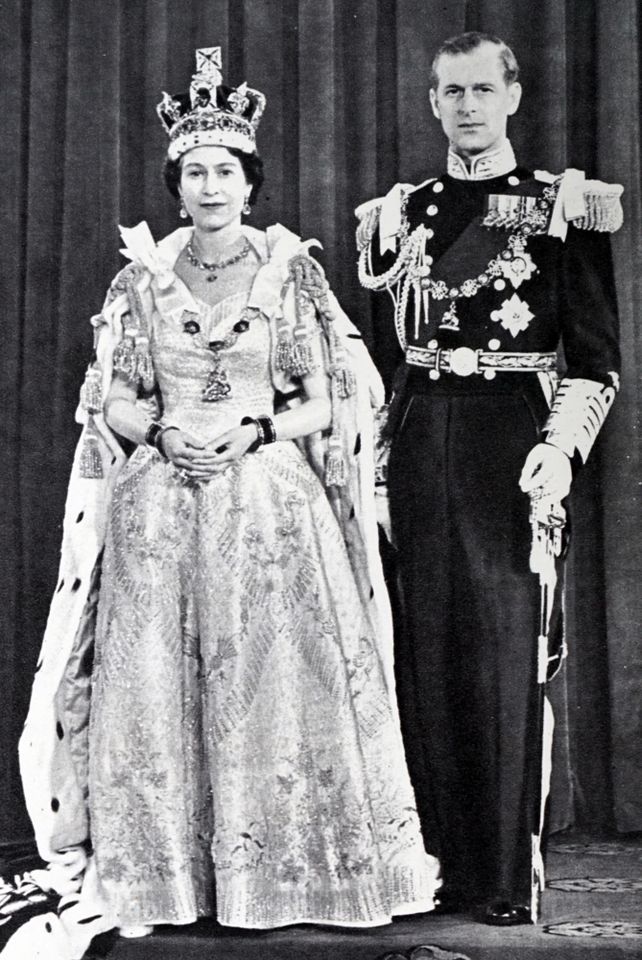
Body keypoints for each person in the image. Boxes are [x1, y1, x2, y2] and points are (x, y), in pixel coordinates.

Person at [16, 46, 439, 957]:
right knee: (161, 681)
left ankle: (282, 872)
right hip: (162, 503)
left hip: (266, 501)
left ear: (250, 184)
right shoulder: (138, 280)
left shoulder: (293, 275)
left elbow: (326, 402)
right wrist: (161, 433)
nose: (211, 185)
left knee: (271, 682)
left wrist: (254, 431)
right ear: (178, 187)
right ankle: (170, 873)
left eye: (227, 172)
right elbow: (113, 396)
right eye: (196, 172)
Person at [356, 32, 621, 926]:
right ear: (432, 103)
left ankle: (504, 878)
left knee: (504, 660)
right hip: (423, 431)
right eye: (449, 92)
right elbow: (391, 357)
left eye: (481, 89)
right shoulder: (402, 213)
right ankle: (438, 866)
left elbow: (596, 359)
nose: (466, 106)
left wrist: (562, 447)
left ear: (512, 95)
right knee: (423, 653)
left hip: (513, 440)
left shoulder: (564, 208)